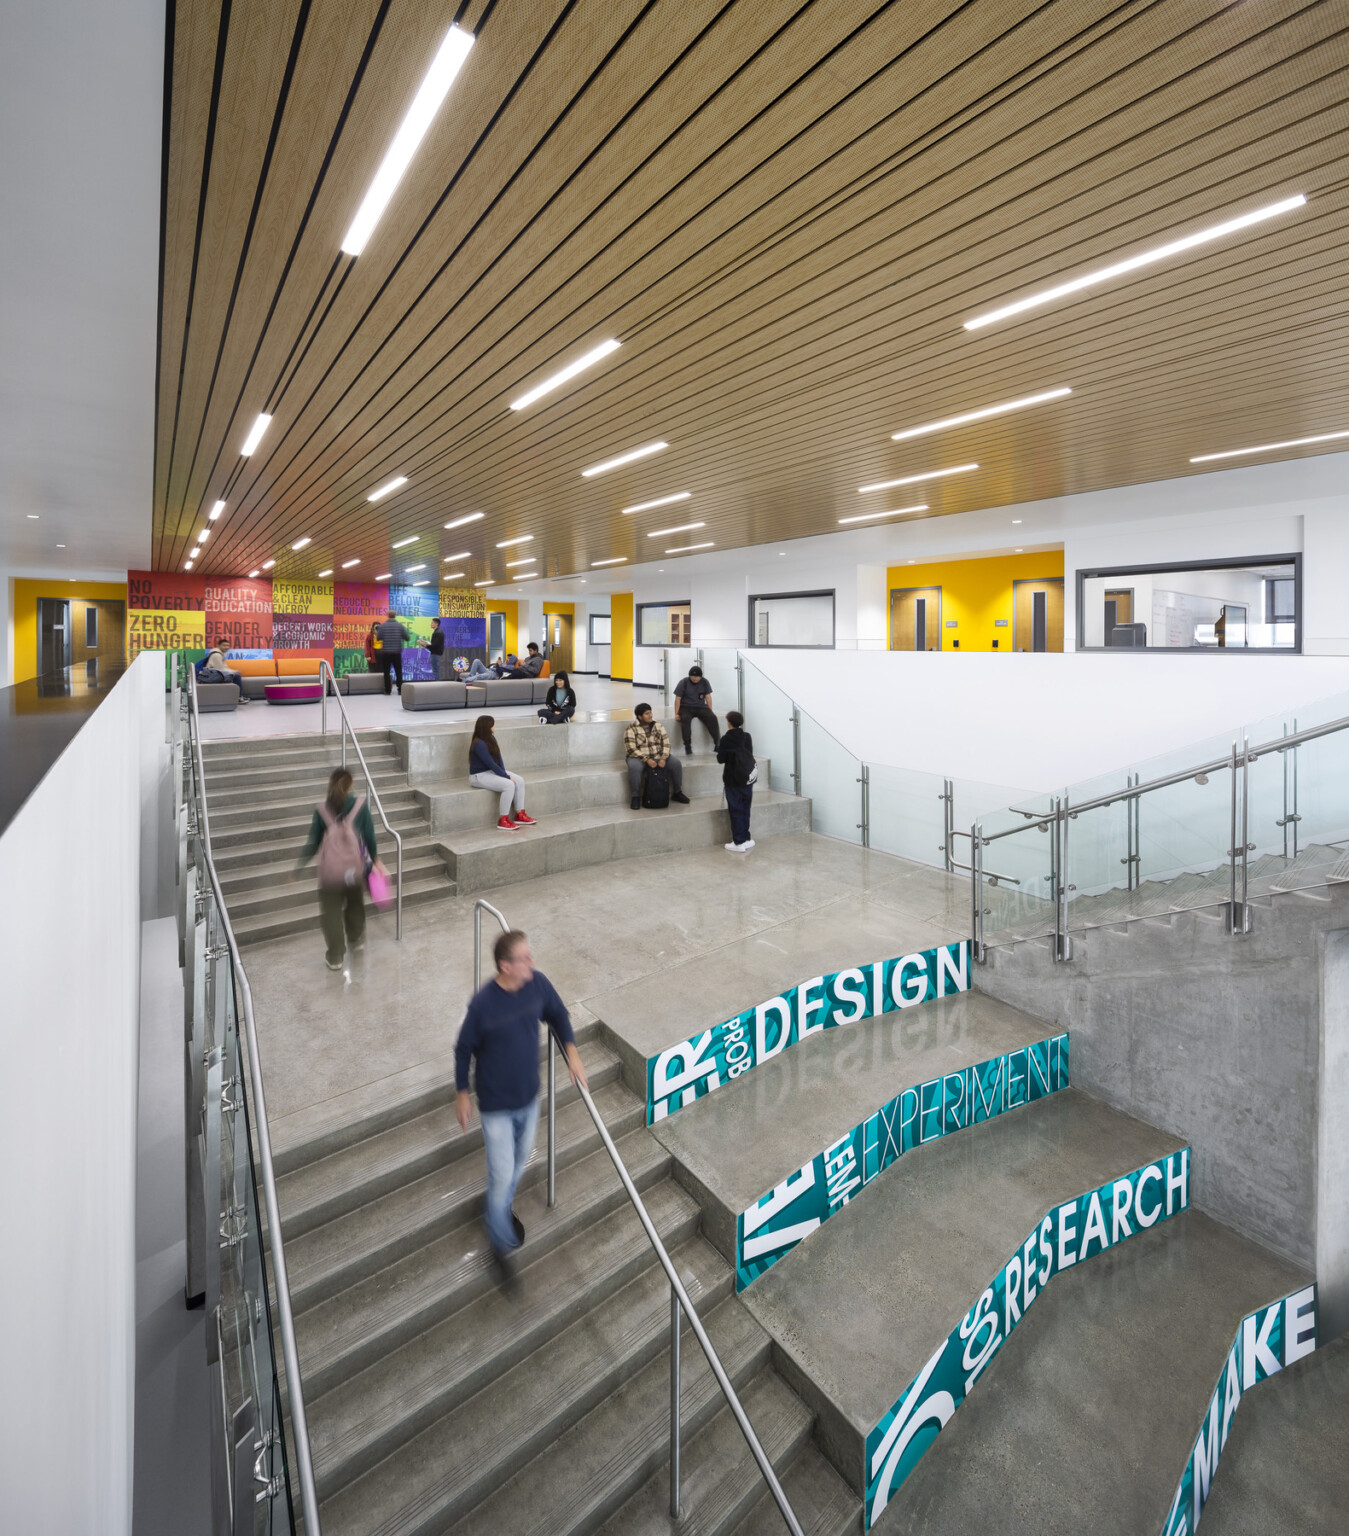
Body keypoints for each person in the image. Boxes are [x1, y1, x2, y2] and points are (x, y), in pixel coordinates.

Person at [455, 929, 588, 1285]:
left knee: (515, 1168)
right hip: (496, 1108)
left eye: (530, 956)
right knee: (501, 1174)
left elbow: (559, 1016)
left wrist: (572, 1054)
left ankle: (500, 1208)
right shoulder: (483, 1005)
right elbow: (463, 1048)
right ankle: (498, 1240)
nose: (531, 962)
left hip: (529, 1101)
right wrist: (462, 1092)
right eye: (524, 958)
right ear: (505, 965)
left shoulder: (537, 985)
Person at [296, 768, 386, 968]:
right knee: (355, 904)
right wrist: (376, 859)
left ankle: (335, 956)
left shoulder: (321, 810)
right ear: (350, 784)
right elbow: (370, 836)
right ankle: (355, 939)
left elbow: (313, 843)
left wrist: (298, 867)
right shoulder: (360, 806)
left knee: (331, 913)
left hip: (330, 874)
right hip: (353, 870)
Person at [469, 715, 537, 831]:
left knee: (520, 780)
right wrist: (506, 777)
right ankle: (503, 820)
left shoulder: (491, 738)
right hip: (479, 776)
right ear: (487, 727)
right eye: (493, 725)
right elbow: (490, 763)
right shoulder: (478, 743)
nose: (494, 727)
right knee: (509, 785)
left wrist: (505, 773)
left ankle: (520, 814)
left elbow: (498, 759)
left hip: (490, 772)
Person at [623, 704, 690, 810]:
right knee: (635, 768)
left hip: (658, 755)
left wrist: (663, 758)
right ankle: (635, 796)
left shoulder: (658, 725)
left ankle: (677, 792)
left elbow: (666, 743)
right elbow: (631, 749)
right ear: (639, 717)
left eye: (650, 712)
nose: (650, 715)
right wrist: (646, 759)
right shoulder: (631, 729)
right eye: (647, 713)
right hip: (638, 757)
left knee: (676, 763)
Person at [717, 710, 756, 853]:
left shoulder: (726, 739)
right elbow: (749, 754)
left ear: (729, 723)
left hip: (733, 779)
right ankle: (746, 838)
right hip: (747, 778)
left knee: (735, 809)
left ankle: (738, 842)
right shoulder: (747, 736)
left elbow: (721, 759)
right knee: (746, 808)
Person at [674, 665, 720, 755]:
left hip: (701, 707)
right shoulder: (683, 682)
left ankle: (717, 743)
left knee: (712, 718)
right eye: (693, 676)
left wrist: (710, 710)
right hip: (686, 707)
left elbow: (708, 697)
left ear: (701, 676)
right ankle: (687, 745)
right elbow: (677, 699)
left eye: (697, 676)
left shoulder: (705, 682)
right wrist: (676, 713)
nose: (695, 678)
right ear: (689, 675)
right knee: (685, 719)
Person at [375, 609, 411, 693]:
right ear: (395, 616)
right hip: (396, 652)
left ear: (388, 616)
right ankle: (400, 689)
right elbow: (407, 638)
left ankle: (388, 690)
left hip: (386, 653)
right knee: (398, 671)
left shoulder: (383, 626)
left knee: (386, 672)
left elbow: (378, 638)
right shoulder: (400, 626)